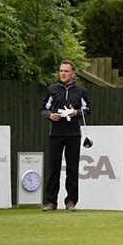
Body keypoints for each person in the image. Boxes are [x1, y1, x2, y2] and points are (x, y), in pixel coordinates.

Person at [40, 60, 91, 212]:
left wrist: (76, 112)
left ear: (73, 73)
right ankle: (51, 202)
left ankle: (71, 201)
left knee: (72, 169)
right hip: (55, 134)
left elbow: (88, 109)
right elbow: (43, 109)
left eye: (66, 71)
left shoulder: (81, 91)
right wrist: (50, 115)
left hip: (74, 134)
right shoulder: (52, 90)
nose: (63, 73)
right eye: (61, 71)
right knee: (53, 168)